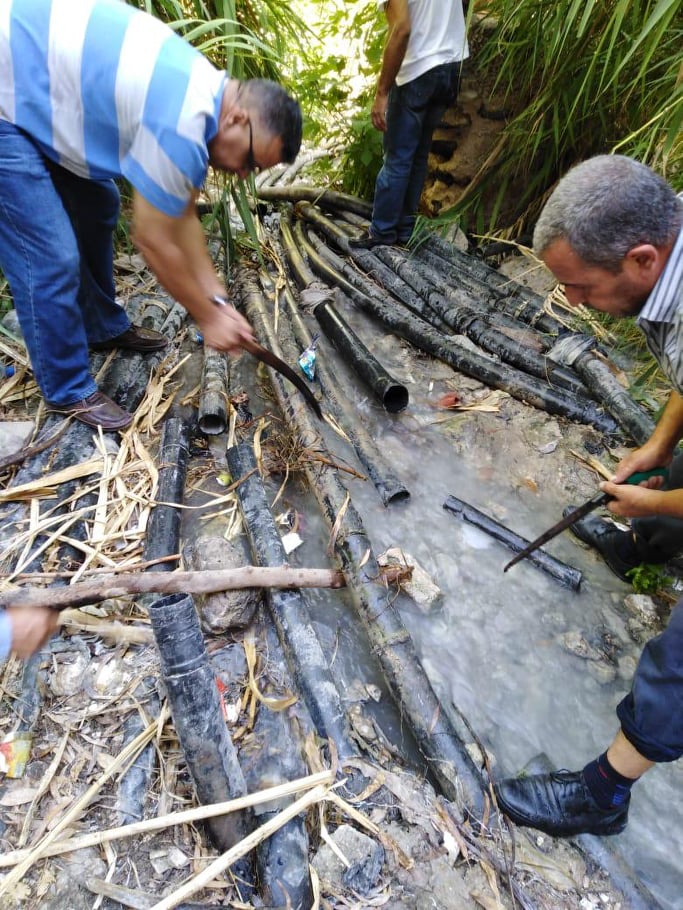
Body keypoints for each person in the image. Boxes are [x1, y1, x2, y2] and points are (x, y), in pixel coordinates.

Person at [0, 0, 302, 431]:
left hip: (33, 84)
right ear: (238, 117)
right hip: (7, 96)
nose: (241, 173)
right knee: (50, 256)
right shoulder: (183, 121)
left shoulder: (204, 93)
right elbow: (155, 239)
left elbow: (183, 219)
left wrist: (217, 298)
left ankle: (101, 325)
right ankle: (66, 387)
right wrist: (208, 316)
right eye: (251, 161)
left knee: (99, 203)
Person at [494, 155, 683, 838]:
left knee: (679, 656)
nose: (570, 302)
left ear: (640, 260)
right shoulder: (670, 238)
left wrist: (657, 501)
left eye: (579, 287)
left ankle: (601, 796)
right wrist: (659, 452)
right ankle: (648, 548)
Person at [349, 0, 469, 250]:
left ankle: (382, 231)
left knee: (398, 157)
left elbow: (401, 29)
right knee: (418, 153)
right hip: (450, 65)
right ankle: (404, 229)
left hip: (418, 69)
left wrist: (382, 92)